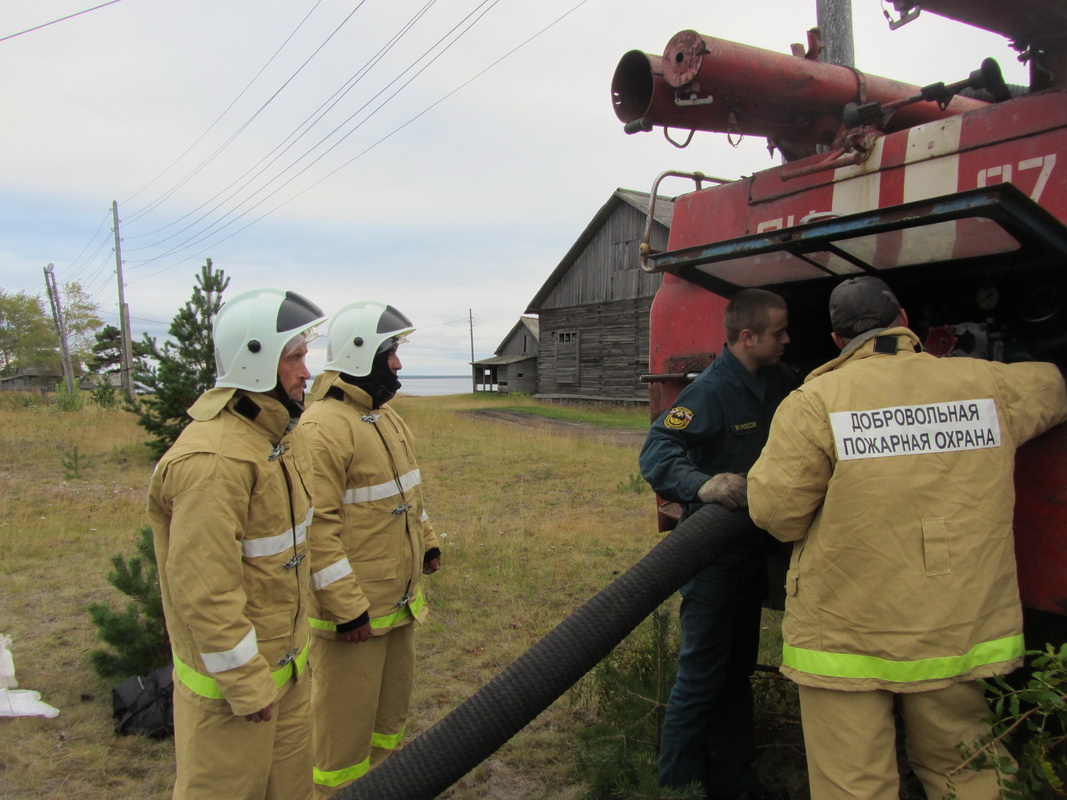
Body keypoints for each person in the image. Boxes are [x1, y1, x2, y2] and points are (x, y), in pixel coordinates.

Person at [748, 276, 1067, 800]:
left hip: (845, 637)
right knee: (967, 771)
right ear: (904, 323)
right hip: (951, 629)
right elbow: (1052, 384)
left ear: (835, 342)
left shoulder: (814, 401)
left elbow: (777, 514)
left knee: (855, 785)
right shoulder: (988, 384)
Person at [147, 288, 328, 800]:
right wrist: (247, 684)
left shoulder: (281, 440)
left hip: (287, 676)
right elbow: (206, 591)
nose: (305, 370)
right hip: (234, 697)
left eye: (303, 355)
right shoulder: (214, 461)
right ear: (255, 361)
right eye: (294, 357)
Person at [638, 288, 792, 800]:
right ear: (747, 337)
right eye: (779, 332)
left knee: (736, 675)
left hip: (751, 556)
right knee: (701, 679)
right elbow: (658, 449)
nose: (787, 340)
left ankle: (735, 784)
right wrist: (702, 485)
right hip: (712, 559)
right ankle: (676, 789)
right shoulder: (711, 390)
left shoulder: (775, 382)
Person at [300, 300, 441, 797]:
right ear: (361, 356)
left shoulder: (386, 420)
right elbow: (316, 531)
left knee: (388, 724)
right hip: (354, 621)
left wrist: (426, 544)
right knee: (341, 743)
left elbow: (408, 496)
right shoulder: (321, 428)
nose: (399, 365)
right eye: (391, 354)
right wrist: (346, 609)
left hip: (396, 605)